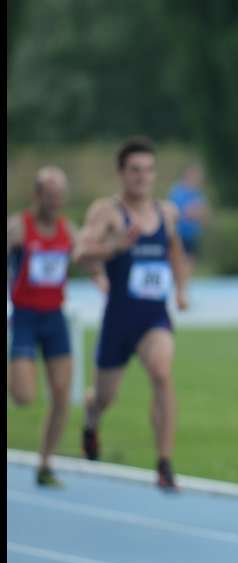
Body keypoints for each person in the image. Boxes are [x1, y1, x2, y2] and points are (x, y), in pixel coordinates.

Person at [73, 137, 189, 490]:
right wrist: (114, 247)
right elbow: (80, 254)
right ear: (121, 173)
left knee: (162, 373)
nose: (142, 177)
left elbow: (175, 251)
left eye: (149, 170)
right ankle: (92, 419)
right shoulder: (107, 212)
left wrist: (181, 289)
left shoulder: (166, 213)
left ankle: (164, 462)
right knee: (104, 397)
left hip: (154, 318)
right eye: (135, 170)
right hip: (119, 319)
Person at [7, 167, 81, 487]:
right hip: (25, 316)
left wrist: (101, 274)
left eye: (60, 196)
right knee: (24, 396)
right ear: (37, 195)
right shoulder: (18, 227)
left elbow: (86, 257)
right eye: (50, 196)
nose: (55, 202)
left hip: (55, 318)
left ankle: (46, 463)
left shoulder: (68, 230)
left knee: (62, 394)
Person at [167, 164, 209, 280]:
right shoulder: (177, 192)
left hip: (192, 235)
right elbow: (176, 213)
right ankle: (178, 284)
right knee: (178, 263)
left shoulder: (197, 193)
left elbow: (204, 213)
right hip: (179, 235)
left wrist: (199, 215)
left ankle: (184, 285)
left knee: (190, 264)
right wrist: (192, 213)